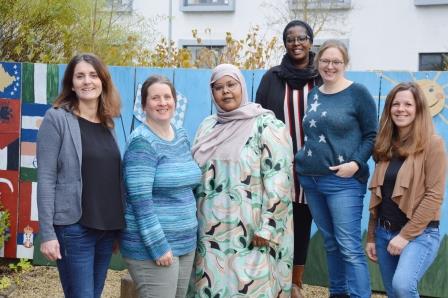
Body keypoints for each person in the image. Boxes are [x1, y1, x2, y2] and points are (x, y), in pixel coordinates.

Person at [190, 64, 294, 297]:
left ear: (242, 86)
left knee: (251, 287)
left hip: (251, 231)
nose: (225, 91)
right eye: (218, 87)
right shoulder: (207, 127)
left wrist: (268, 227)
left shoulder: (267, 126)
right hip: (209, 231)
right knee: (211, 286)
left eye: (231, 84)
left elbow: (280, 179)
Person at [37, 53, 125, 298]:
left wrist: (117, 229)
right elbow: (45, 178)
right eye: (80, 76)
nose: (87, 81)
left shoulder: (108, 122)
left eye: (93, 75)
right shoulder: (56, 119)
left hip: (106, 229)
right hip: (74, 228)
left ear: (103, 81)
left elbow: (110, 178)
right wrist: (47, 234)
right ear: (72, 83)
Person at [295, 40, 377, 298]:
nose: (330, 66)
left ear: (345, 64)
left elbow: (372, 136)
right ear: (318, 63)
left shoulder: (358, 93)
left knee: (349, 246)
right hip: (311, 180)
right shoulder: (314, 94)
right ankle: (338, 293)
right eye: (325, 61)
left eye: (336, 62)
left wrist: (355, 164)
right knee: (331, 244)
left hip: (344, 182)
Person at [120, 75, 202, 298]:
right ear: (144, 105)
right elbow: (139, 201)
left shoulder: (182, 136)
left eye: (167, 97)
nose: (162, 102)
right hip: (154, 247)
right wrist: (158, 246)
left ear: (175, 101)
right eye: (155, 98)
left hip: (185, 243)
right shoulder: (142, 142)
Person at [255, 20, 320, 297]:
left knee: (304, 222)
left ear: (310, 41)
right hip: (279, 165)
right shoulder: (273, 77)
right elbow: (258, 117)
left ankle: (295, 282)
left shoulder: (322, 76)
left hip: (314, 165)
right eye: (290, 39)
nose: (296, 43)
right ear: (285, 44)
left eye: (301, 37)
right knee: (279, 219)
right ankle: (272, 277)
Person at [365, 82, 446, 298]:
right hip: (383, 232)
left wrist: (404, 236)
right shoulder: (385, 144)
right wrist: (372, 235)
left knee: (402, 286)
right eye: (396, 104)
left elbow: (434, 195)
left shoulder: (433, 144)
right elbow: (378, 194)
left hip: (420, 233)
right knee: (393, 292)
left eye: (408, 104)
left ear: (418, 109)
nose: (401, 109)